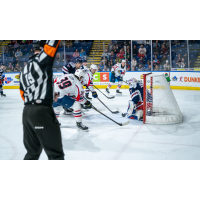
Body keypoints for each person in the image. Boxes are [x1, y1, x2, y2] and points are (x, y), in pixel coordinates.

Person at [19, 40, 65, 160]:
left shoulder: (25, 68)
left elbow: (23, 94)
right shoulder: (43, 58)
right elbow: (53, 42)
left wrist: (47, 96)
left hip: (27, 112)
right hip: (42, 112)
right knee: (56, 154)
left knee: (32, 153)